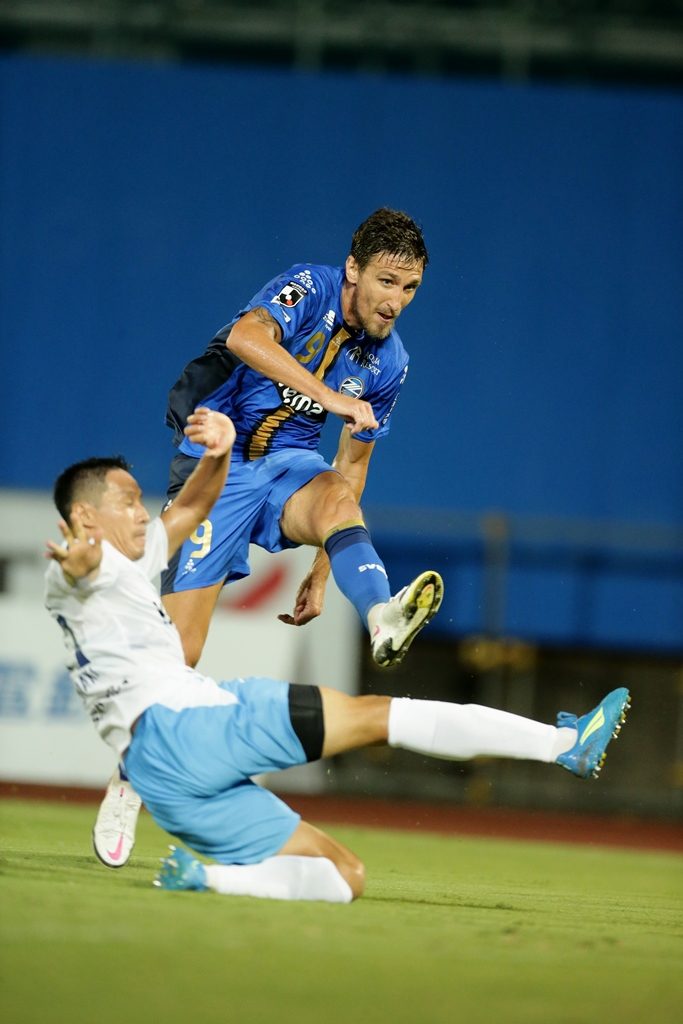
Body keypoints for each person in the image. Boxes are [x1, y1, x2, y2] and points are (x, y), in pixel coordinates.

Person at [45, 413, 631, 903]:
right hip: (194, 727)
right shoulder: (77, 571)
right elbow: (81, 568)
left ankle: (205, 879)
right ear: (85, 517)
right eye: (126, 501)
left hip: (164, 779)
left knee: (344, 877)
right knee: (380, 716)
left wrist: (219, 453)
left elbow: (192, 507)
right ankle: (562, 745)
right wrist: (79, 561)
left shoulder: (135, 560)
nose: (141, 511)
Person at [160, 207, 443, 672]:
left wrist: (321, 569)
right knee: (176, 654)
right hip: (215, 464)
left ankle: (380, 615)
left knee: (336, 495)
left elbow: (353, 464)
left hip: (289, 465)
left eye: (410, 288)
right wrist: (328, 396)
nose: (396, 302)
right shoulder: (309, 286)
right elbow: (245, 337)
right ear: (353, 268)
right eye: (387, 281)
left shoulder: (391, 362)